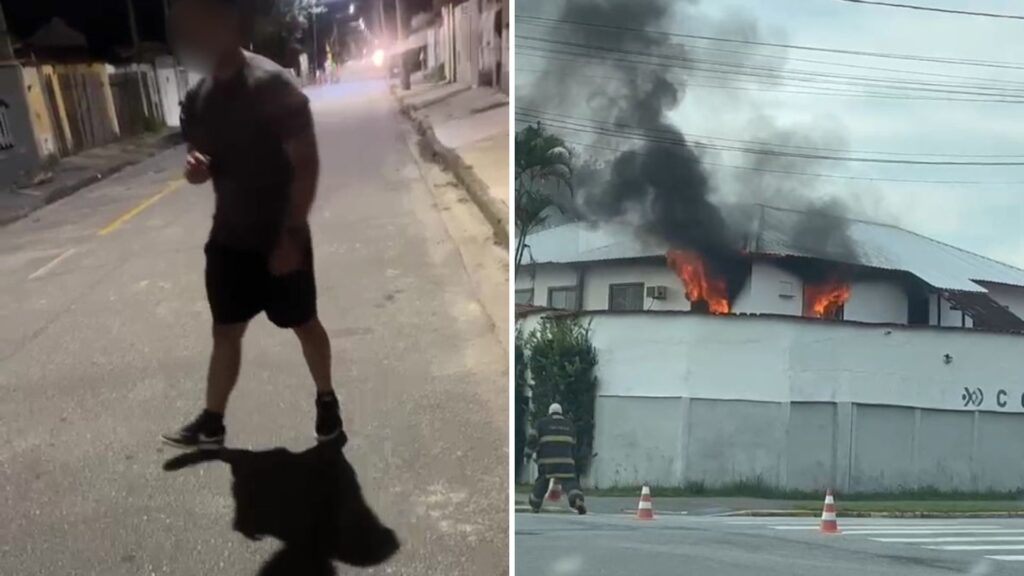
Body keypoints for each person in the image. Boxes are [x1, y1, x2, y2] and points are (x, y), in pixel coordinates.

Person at [161, 0, 342, 450]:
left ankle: (326, 399)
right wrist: (196, 170)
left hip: (280, 235)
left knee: (303, 322)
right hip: (229, 240)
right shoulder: (199, 100)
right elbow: (203, 162)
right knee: (226, 331)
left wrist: (290, 234)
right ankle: (213, 421)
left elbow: (307, 163)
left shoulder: (273, 85)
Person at [525, 403, 586, 515]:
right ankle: (577, 500)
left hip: (547, 461)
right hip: (566, 462)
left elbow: (532, 439)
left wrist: (528, 455)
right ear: (560, 412)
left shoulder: (542, 423)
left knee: (542, 482)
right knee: (570, 482)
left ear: (549, 412)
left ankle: (535, 505)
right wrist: (574, 461)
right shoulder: (569, 425)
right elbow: (574, 445)